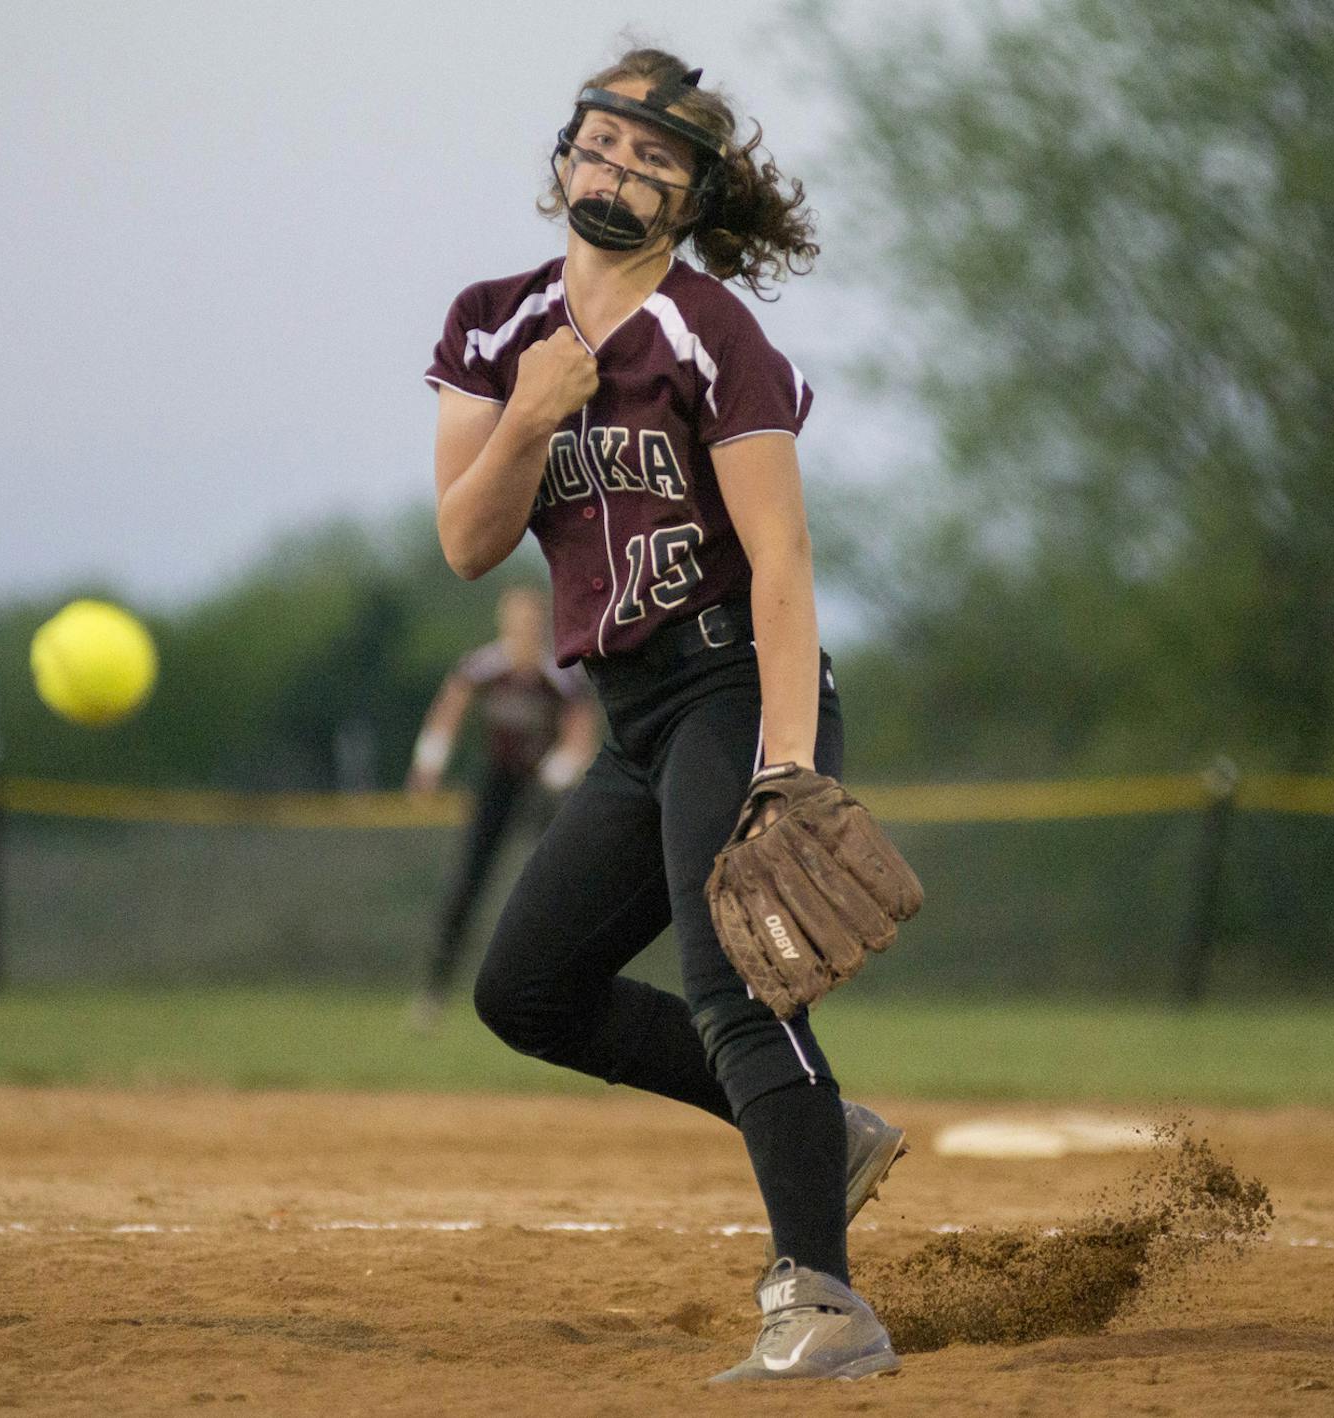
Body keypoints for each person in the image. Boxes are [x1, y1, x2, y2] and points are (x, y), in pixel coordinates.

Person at [422, 48, 904, 1383]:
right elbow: (468, 541)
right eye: (604, 143)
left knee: (732, 973)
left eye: (658, 158)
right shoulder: (493, 324)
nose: (622, 168)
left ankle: (826, 1304)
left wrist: (790, 763)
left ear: (690, 198)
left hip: (735, 681)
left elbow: (787, 560)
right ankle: (825, 1132)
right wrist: (529, 416)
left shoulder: (711, 332)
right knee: (527, 989)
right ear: (562, 156)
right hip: (633, 706)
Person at [405, 585, 597, 1030]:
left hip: (541, 790)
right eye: (514, 622)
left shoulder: (561, 674)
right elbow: (448, 709)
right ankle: (434, 993)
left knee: (556, 888)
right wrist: (429, 763)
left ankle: (562, 991)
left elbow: (579, 737)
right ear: (502, 624)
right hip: (497, 783)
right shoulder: (484, 668)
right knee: (467, 885)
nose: (522, 631)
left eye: (530, 623)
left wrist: (557, 771)